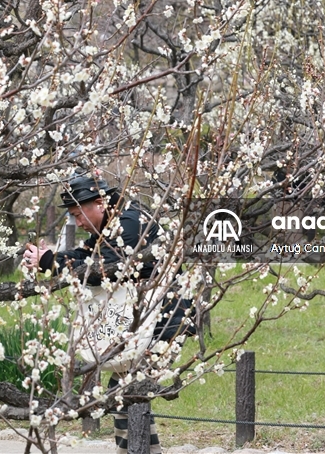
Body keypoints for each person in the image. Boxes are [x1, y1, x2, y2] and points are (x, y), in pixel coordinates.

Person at [23, 172, 189, 454]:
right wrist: (47, 260)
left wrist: (51, 262)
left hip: (162, 325)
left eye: (78, 214)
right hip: (144, 325)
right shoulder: (111, 223)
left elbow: (105, 270)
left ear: (99, 203)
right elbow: (84, 256)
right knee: (125, 397)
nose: (77, 222)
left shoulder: (129, 222)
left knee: (128, 395)